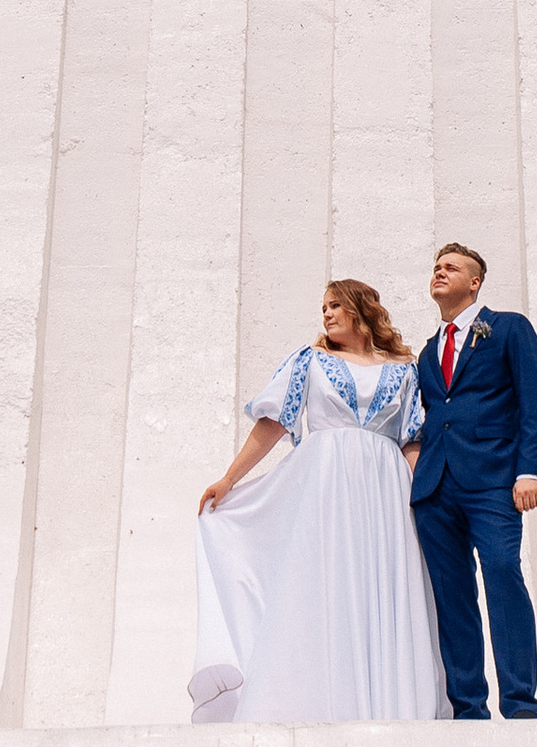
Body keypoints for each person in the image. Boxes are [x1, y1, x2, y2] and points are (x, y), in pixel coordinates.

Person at [190, 279, 450, 722]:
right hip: (326, 484)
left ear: (359, 311)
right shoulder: (310, 362)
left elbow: (412, 441)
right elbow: (274, 423)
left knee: (381, 583)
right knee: (325, 581)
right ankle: (320, 699)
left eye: (335, 306)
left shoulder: (405, 369)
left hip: (385, 490)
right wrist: (230, 479)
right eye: (323, 307)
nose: (326, 314)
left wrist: (417, 496)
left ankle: (390, 705)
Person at [411, 242, 537, 720]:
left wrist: (529, 470)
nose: (439, 272)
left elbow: (535, 404)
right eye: (435, 267)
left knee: (503, 575)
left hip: (494, 482)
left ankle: (521, 706)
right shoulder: (428, 352)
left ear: (475, 282)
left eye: (450, 268)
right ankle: (468, 710)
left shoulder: (508, 328)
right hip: (435, 489)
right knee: (452, 600)